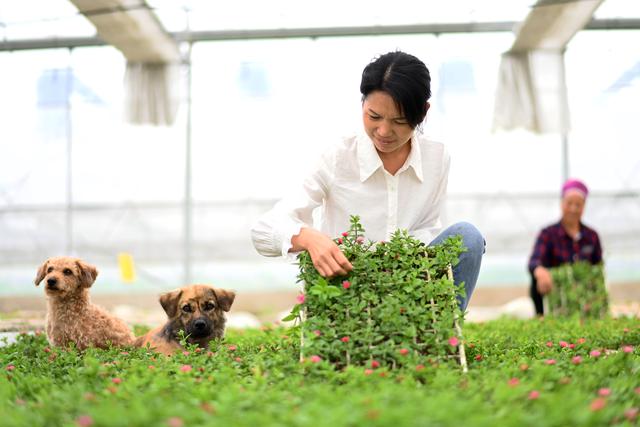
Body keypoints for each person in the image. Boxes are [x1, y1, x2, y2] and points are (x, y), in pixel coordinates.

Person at [251, 51, 484, 311]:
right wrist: (308, 238)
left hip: (408, 290)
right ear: (362, 104)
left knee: (468, 237)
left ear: (423, 112)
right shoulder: (338, 157)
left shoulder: (437, 157)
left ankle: (439, 334)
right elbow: (263, 230)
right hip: (346, 292)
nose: (384, 132)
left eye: (399, 121)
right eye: (374, 117)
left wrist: (401, 269)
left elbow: (426, 227)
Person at [527, 178, 603, 315]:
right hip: (554, 296)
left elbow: (598, 269)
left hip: (582, 299)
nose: (573, 209)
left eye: (578, 204)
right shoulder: (548, 234)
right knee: (536, 279)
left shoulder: (592, 236)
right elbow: (534, 261)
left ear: (584, 206)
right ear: (562, 204)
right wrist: (540, 271)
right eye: (569, 203)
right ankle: (541, 317)